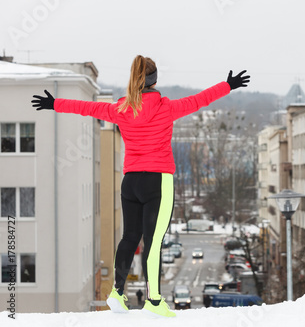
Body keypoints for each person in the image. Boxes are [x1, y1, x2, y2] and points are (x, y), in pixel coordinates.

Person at [31, 55, 250, 318]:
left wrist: (54, 103)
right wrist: (227, 85)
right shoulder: (165, 107)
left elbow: (87, 108)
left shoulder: (121, 108)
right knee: (154, 242)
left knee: (129, 238)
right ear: (155, 80)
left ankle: (117, 293)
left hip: (130, 182)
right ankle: (154, 301)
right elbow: (199, 100)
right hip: (158, 180)